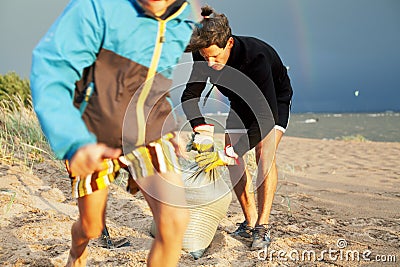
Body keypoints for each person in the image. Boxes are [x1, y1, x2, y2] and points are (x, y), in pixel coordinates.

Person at [30, 0, 194, 266]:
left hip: (148, 132)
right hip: (93, 135)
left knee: (175, 221)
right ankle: (76, 252)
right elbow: (51, 69)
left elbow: (157, 78)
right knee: (91, 227)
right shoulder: (96, 7)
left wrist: (171, 125)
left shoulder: (183, 17)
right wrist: (73, 142)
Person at [181, 5, 293, 250]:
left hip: (273, 101)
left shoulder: (256, 57)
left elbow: (265, 117)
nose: (209, 63)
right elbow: (189, 96)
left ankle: (262, 227)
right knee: (232, 154)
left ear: (229, 43)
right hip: (239, 102)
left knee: (265, 152)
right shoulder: (203, 55)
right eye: (204, 56)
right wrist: (200, 127)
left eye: (215, 57)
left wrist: (230, 153)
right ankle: (250, 220)